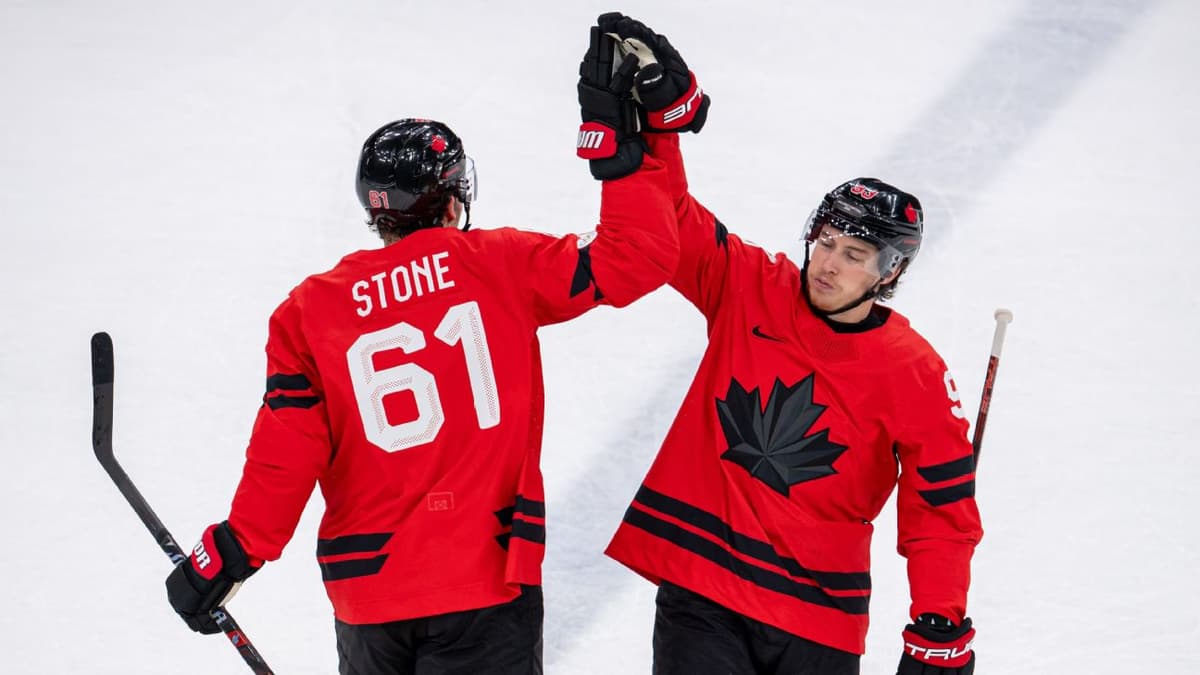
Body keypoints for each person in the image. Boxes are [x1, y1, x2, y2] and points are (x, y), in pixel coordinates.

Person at [163, 29, 679, 675]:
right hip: (483, 583)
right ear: (453, 191)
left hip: (369, 593)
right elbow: (639, 257)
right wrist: (629, 146)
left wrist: (231, 552)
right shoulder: (498, 264)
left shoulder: (308, 310)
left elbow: (285, 452)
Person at [591, 13, 983, 675]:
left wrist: (939, 619)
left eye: (853, 253)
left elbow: (941, 503)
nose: (827, 262)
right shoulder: (752, 287)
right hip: (705, 585)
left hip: (816, 614)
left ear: (890, 271)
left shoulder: (913, 369)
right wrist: (659, 129)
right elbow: (677, 222)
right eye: (824, 240)